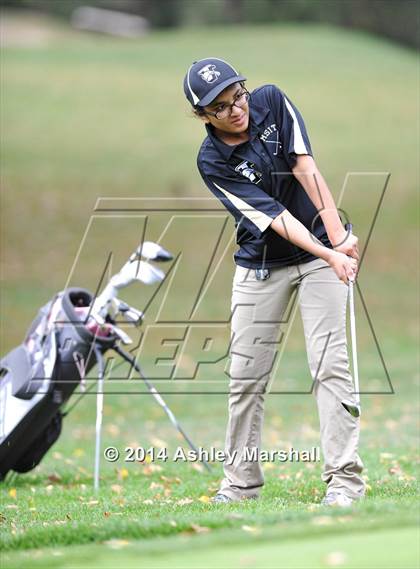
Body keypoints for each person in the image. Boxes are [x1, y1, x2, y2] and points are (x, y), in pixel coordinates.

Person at [183, 57, 365, 507]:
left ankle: (344, 482)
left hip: (320, 258)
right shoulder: (212, 161)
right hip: (261, 265)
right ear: (203, 116)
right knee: (246, 378)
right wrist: (331, 252)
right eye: (221, 107)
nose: (236, 109)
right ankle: (240, 485)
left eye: (237, 96)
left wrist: (337, 237)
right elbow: (275, 216)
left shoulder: (273, 102)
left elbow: (305, 167)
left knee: (329, 366)